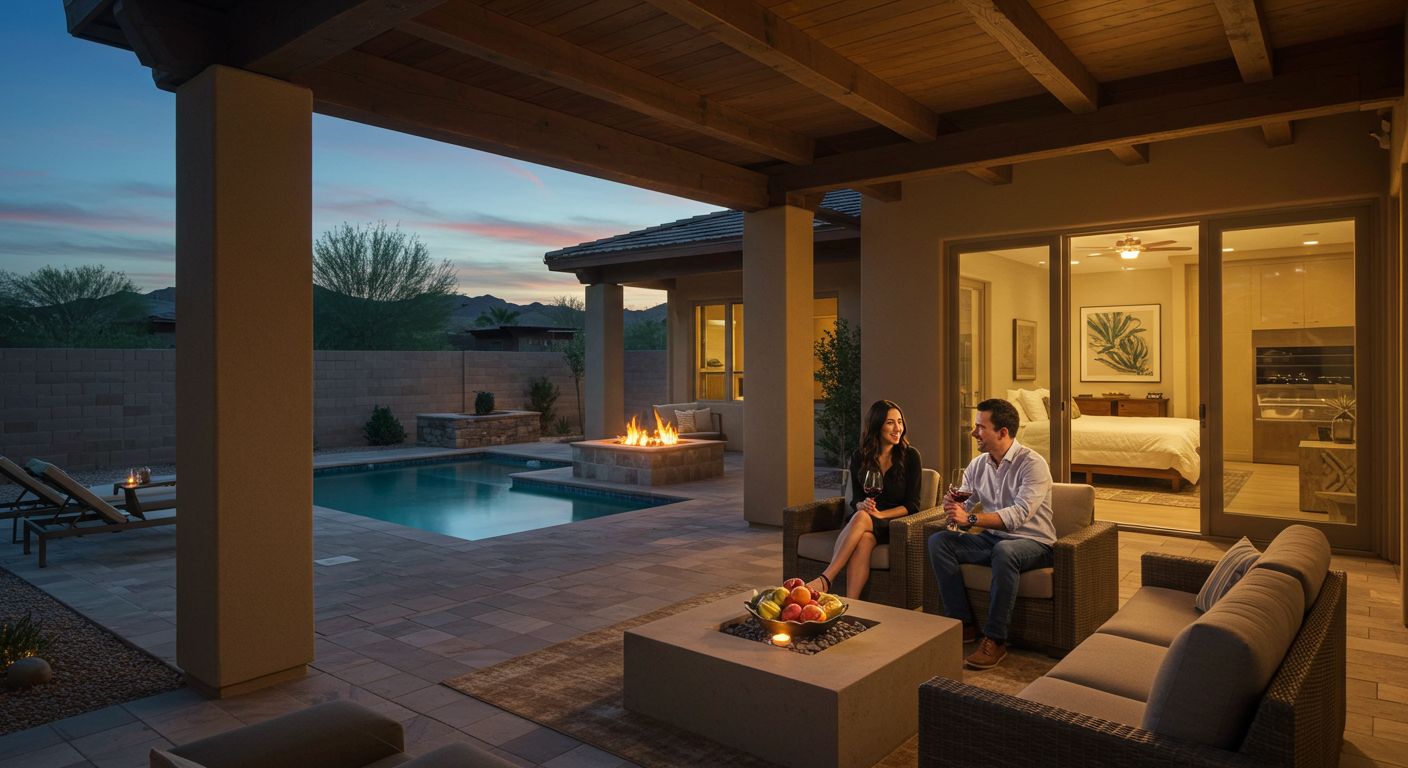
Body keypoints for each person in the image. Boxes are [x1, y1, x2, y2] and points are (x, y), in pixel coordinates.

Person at [927, 398, 1054, 670]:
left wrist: (970, 518)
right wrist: (953, 508)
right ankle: (964, 624)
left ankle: (995, 640)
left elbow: (1018, 515)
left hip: (1033, 543)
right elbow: (964, 509)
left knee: (1004, 551)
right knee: (939, 541)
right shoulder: (977, 465)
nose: (974, 433)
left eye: (980, 427)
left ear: (1003, 432)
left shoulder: (1032, 464)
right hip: (993, 540)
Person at [806, 400, 922, 599]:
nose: (898, 428)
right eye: (890, 423)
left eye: (900, 422)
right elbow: (857, 499)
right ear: (877, 425)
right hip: (867, 524)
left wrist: (879, 514)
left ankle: (826, 579)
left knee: (860, 517)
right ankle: (853, 604)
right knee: (864, 540)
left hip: (894, 524)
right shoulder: (860, 456)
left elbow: (913, 505)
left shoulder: (911, 456)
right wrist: (862, 504)